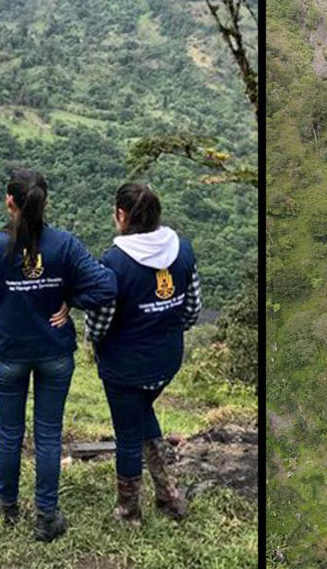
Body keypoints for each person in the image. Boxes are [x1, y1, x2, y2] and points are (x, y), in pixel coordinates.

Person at [0, 169, 116, 542]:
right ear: (45, 202)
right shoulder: (64, 244)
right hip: (54, 351)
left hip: (9, 350)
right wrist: (70, 299)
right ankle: (45, 516)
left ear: (10, 202)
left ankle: (6, 506)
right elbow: (106, 285)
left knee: (9, 433)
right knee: (49, 436)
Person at [85, 182, 201, 524]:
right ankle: (168, 495)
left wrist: (92, 340)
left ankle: (128, 510)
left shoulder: (115, 261)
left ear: (122, 215)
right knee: (141, 412)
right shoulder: (183, 250)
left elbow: (99, 322)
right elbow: (193, 309)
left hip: (125, 366)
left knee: (127, 435)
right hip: (166, 360)